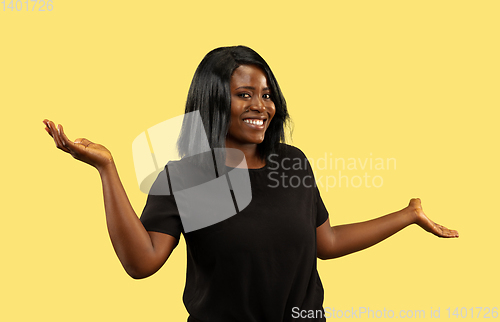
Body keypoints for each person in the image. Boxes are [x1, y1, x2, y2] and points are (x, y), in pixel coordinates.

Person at [43, 45, 459, 322]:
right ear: (214, 100)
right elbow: (142, 262)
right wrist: (107, 169)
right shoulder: (188, 178)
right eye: (245, 94)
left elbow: (325, 243)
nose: (262, 106)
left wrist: (408, 216)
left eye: (267, 94)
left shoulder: (291, 163)